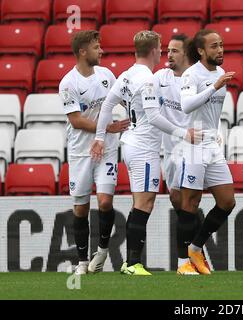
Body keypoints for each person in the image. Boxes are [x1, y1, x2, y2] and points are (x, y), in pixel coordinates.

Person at [91, 31, 199, 276]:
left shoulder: (127, 75)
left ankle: (131, 262)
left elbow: (108, 105)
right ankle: (132, 263)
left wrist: (99, 137)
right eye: (161, 48)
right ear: (153, 50)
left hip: (129, 144)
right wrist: (183, 134)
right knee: (144, 203)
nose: (162, 52)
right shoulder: (148, 80)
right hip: (144, 147)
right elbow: (153, 117)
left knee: (141, 202)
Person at [59, 30, 130, 275]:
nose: (102, 51)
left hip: (107, 149)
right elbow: (77, 121)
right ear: (82, 51)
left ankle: (101, 252)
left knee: (105, 201)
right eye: (97, 47)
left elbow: (123, 100)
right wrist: (107, 127)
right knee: (80, 208)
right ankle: (81, 262)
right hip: (81, 152)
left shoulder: (107, 75)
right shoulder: (68, 83)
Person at [179, 29, 236, 275]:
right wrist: (214, 86)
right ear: (201, 51)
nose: (220, 50)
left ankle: (195, 247)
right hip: (194, 144)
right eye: (214, 46)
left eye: (221, 45)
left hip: (211, 142)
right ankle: (184, 263)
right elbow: (186, 105)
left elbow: (213, 111)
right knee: (190, 202)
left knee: (227, 201)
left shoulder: (221, 73)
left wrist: (217, 131)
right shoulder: (192, 74)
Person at [152, 34, 205, 275]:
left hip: (191, 146)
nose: (169, 55)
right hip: (169, 148)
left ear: (186, 53)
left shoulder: (195, 76)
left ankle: (184, 260)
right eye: (168, 50)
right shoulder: (159, 78)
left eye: (174, 51)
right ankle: (196, 251)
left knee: (187, 202)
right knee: (177, 200)